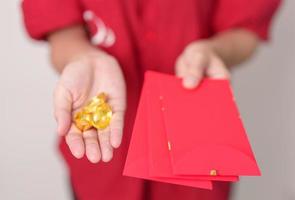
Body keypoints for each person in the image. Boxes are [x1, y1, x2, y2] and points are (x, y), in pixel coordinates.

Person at [22, 0, 281, 199]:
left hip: (197, 146)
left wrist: (214, 51)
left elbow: (245, 29)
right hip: (102, 162)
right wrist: (83, 57)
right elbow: (63, 36)